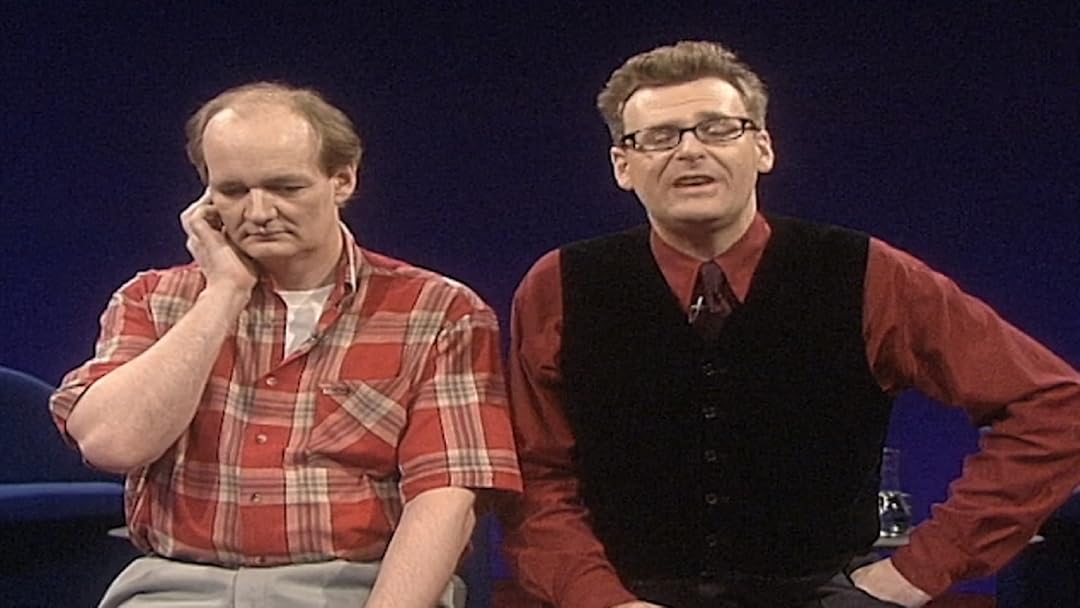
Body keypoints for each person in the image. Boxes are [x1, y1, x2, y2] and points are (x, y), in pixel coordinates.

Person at [497, 41, 1080, 608]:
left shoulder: (867, 274)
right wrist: (600, 601)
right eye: (659, 137)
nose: (690, 151)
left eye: (718, 129)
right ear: (623, 166)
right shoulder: (560, 285)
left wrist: (921, 570)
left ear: (763, 148)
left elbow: (1056, 406)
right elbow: (535, 477)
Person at [49, 82, 521, 608]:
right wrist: (223, 293)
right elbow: (112, 446)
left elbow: (445, 498)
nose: (258, 212)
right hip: (177, 585)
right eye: (233, 191)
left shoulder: (439, 311)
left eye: (285, 187)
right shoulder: (152, 300)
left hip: (355, 587)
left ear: (343, 179)